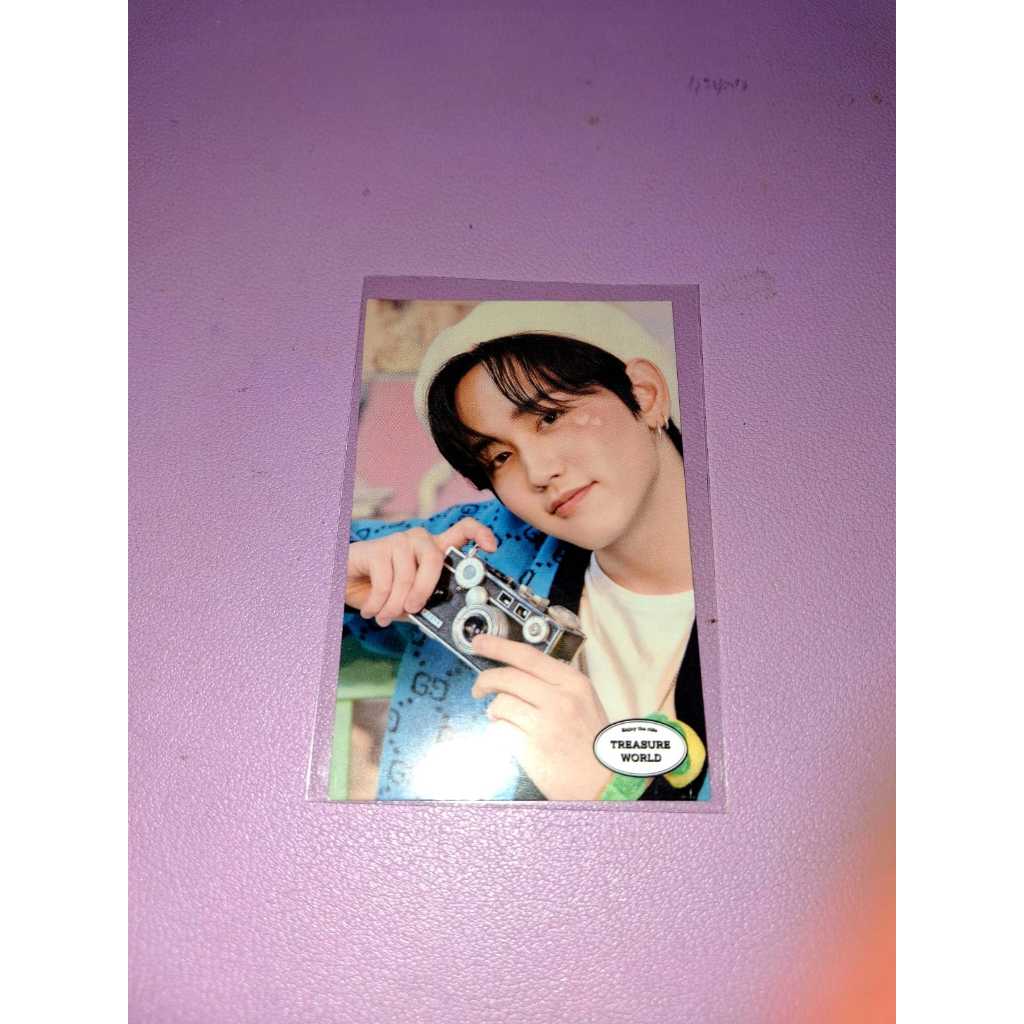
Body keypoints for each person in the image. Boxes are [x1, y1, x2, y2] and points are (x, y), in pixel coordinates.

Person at [342, 302, 708, 801]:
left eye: (549, 416)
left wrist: (606, 792)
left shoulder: (791, 589)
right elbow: (273, 570)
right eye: (499, 456)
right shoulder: (489, 546)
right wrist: (342, 578)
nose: (537, 472)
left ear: (645, 395)